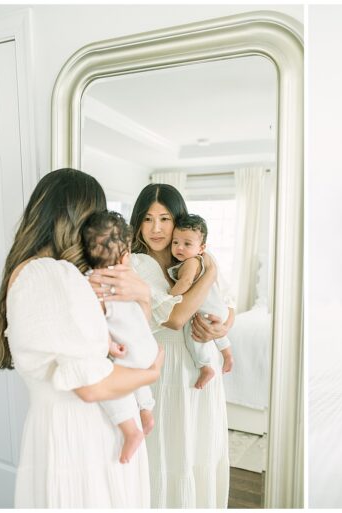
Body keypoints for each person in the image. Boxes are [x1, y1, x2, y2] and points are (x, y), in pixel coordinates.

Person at [0, 168, 163, 507]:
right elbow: (93, 386)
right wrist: (153, 373)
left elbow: (122, 340)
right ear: (76, 219)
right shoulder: (48, 276)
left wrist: (141, 297)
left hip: (94, 432)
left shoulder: (67, 277)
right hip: (81, 440)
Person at [128, 184, 233, 508]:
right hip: (164, 365)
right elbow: (174, 318)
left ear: (180, 221)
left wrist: (224, 326)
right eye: (147, 219)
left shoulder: (194, 254)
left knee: (199, 446)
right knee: (166, 451)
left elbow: (227, 304)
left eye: (165, 218)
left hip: (202, 363)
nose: (156, 228)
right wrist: (209, 271)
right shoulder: (136, 263)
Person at [81, 210, 158, 464]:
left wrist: (109, 344)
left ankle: (130, 430)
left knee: (112, 385)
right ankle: (146, 411)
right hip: (148, 346)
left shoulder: (93, 284)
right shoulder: (130, 278)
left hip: (128, 352)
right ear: (125, 256)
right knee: (138, 377)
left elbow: (97, 323)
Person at [168, 213, 235, 389]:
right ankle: (227, 355)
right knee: (218, 333)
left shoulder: (191, 263)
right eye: (175, 242)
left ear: (201, 248)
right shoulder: (204, 260)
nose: (179, 248)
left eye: (187, 244)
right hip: (219, 309)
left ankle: (205, 366)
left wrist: (170, 295)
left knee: (193, 333)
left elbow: (186, 282)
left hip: (206, 310)